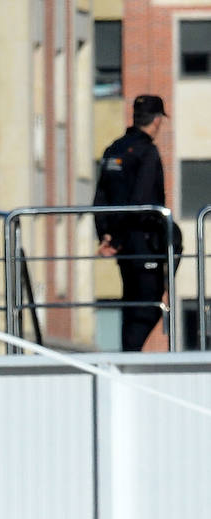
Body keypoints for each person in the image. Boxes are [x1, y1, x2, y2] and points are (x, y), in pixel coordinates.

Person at [95, 94, 180, 352]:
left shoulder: (113, 149)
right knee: (148, 304)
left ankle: (129, 352)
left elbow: (99, 199)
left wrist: (106, 236)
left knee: (133, 302)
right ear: (156, 121)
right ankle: (130, 355)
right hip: (142, 241)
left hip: (122, 244)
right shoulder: (146, 152)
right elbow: (141, 202)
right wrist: (118, 238)